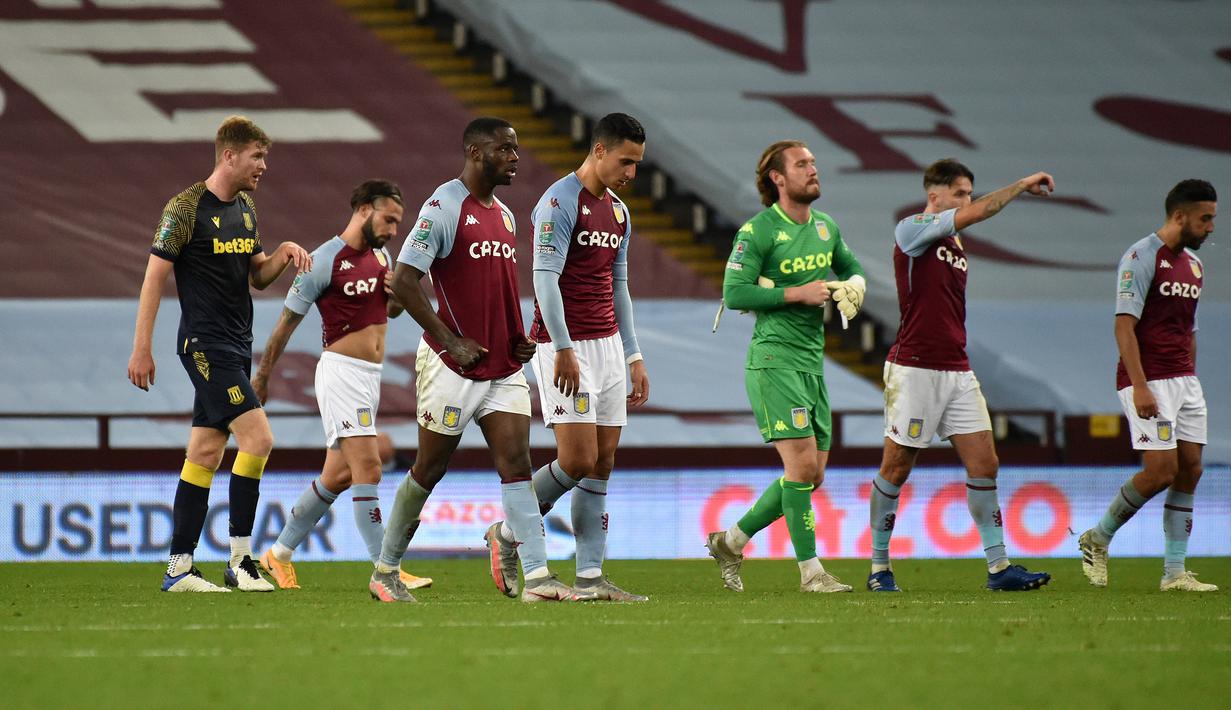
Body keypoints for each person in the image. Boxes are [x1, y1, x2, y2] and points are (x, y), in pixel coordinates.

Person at [372, 117, 589, 603]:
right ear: (475, 151)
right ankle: (385, 571)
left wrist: (517, 337)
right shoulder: (443, 206)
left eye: (516, 150)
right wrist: (450, 340)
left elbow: (501, 288)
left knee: (517, 464)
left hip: (502, 366)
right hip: (452, 366)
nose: (516, 158)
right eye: (505, 150)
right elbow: (404, 281)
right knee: (429, 469)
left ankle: (537, 577)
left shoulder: (507, 216)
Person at [126, 115, 311, 593]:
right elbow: (153, 278)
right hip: (204, 346)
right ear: (229, 155)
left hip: (236, 346)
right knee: (259, 439)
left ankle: (179, 569)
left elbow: (257, 275)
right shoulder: (184, 208)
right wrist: (141, 347)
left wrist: (283, 253)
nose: (263, 166)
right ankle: (241, 562)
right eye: (257, 157)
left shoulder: (246, 208)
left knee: (206, 453)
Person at [864, 159, 1054, 593]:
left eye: (970, 193)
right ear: (937, 195)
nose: (968, 201)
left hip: (957, 368)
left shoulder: (955, 242)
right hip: (915, 367)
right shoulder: (912, 228)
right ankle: (879, 568)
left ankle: (999, 567)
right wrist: (1022, 183)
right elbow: (983, 211)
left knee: (986, 463)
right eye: (961, 193)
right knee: (896, 466)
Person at [485, 113, 651, 603]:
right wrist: (561, 346)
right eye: (626, 161)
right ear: (599, 151)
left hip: (606, 346)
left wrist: (633, 353)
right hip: (563, 345)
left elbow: (618, 285)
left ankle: (591, 577)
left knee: (602, 462)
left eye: (638, 164)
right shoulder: (558, 203)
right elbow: (544, 280)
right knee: (576, 459)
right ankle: (507, 533)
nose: (632, 173)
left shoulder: (619, 212)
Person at [249, 179, 430, 592]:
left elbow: (395, 310)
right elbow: (284, 326)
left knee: (338, 476)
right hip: (341, 373)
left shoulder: (383, 256)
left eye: (398, 222)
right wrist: (263, 377)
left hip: (369, 378)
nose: (393, 230)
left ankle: (277, 554)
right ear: (364, 209)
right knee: (369, 468)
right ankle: (386, 569)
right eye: (388, 219)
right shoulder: (324, 260)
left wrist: (395, 295)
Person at [704, 140, 865, 594]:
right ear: (778, 178)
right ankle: (811, 572)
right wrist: (797, 293)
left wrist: (853, 285)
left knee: (811, 475)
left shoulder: (825, 228)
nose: (813, 170)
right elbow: (734, 293)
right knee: (800, 469)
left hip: (812, 363)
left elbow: (852, 267)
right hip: (774, 361)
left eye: (814, 162)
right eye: (802, 164)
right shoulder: (757, 232)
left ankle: (731, 541)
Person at [1079, 179, 1217, 592]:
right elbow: (1124, 325)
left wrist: (1190, 375)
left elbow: (1188, 329)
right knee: (1160, 471)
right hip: (1148, 379)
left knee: (1190, 469)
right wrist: (1140, 385)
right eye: (1205, 218)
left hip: (1184, 381)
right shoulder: (1141, 257)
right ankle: (1097, 538)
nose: (1211, 227)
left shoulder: (1194, 266)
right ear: (1180, 215)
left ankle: (1174, 573)